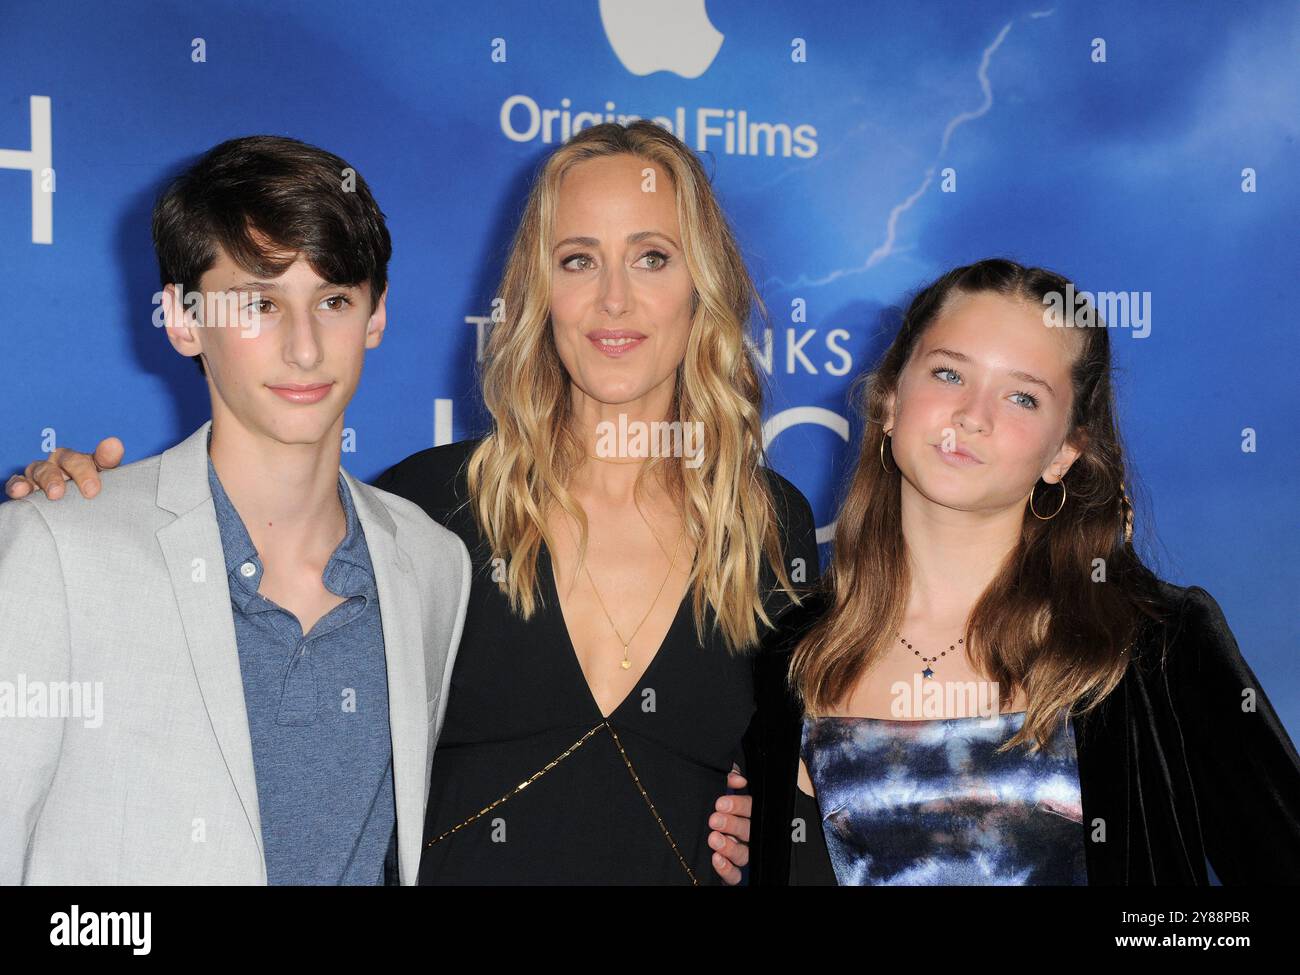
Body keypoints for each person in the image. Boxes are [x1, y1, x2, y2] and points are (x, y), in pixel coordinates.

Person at [6, 121, 816, 884]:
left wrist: (768, 822)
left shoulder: (771, 526)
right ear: (538, 290)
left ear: (702, 283)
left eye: (651, 257)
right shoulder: (430, 511)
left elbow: (803, 789)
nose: (613, 299)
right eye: (576, 259)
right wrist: (72, 510)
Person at [0, 135, 472, 884]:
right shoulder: (60, 547)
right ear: (183, 320)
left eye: (335, 300)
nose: (306, 348)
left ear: (376, 316)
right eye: (259, 302)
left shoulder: (434, 564)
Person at [744, 258, 1300, 885]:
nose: (972, 415)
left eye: (1021, 396)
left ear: (1065, 451)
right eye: (949, 373)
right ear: (891, 400)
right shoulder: (790, 651)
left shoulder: (1157, 645)